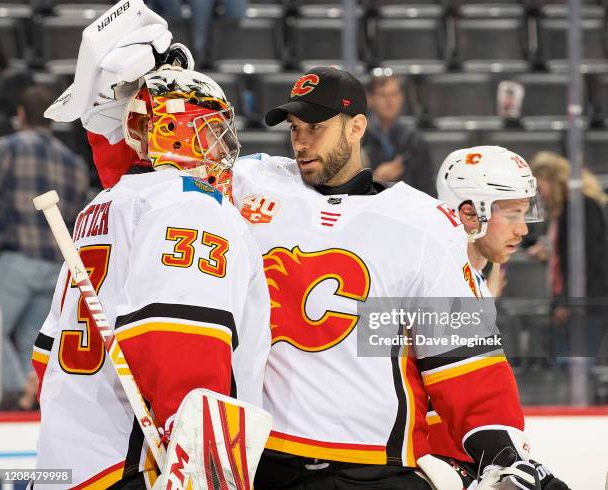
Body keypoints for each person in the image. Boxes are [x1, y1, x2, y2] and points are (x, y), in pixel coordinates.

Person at [75, 35, 568, 488]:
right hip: (260, 464)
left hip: (377, 468)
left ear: (356, 127)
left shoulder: (426, 223)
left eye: (316, 127)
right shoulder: (246, 183)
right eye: (294, 128)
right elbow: (149, 185)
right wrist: (141, 96)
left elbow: (464, 362)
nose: (301, 141)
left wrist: (503, 452)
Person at [32, 65, 271, 489]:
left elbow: (45, 355)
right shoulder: (191, 205)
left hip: (68, 465)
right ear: (173, 129)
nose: (221, 148)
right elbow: (179, 340)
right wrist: (205, 473)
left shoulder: (100, 207)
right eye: (210, 129)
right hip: (133, 468)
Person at [431, 145, 543, 463]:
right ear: (469, 212)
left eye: (524, 214)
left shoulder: (471, 278)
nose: (522, 230)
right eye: (511, 215)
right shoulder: (437, 281)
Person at [0, 85, 89, 408]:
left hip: (16, 258)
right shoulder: (74, 162)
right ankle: (30, 398)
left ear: (20, 115)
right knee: (30, 342)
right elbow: (79, 216)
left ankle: (11, 392)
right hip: (55, 264)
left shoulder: (5, 148)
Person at [528, 152, 608, 364]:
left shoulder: (580, 206)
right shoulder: (565, 209)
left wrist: (567, 302)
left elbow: (588, 260)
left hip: (584, 303)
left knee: (575, 363)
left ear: (553, 180)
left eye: (540, 187)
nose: (540, 194)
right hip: (575, 301)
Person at [362, 74, 435, 196]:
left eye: (394, 94)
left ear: (402, 97)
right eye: (382, 95)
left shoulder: (415, 140)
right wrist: (375, 180)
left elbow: (427, 188)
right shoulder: (357, 138)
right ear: (370, 99)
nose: (389, 101)